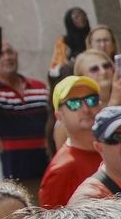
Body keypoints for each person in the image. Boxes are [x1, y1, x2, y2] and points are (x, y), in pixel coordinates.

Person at [0, 42, 51, 194]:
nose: (7, 57)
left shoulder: (39, 86)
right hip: (16, 173)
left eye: (10, 52)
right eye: (0, 55)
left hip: (48, 166)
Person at [37, 75, 103, 208]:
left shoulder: (114, 148)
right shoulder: (61, 170)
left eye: (91, 100)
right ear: (59, 116)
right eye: (74, 103)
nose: (86, 108)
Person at [47, 7, 90, 78]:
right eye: (77, 17)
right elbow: (56, 64)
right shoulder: (64, 41)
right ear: (70, 21)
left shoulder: (93, 36)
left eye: (83, 15)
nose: (81, 18)